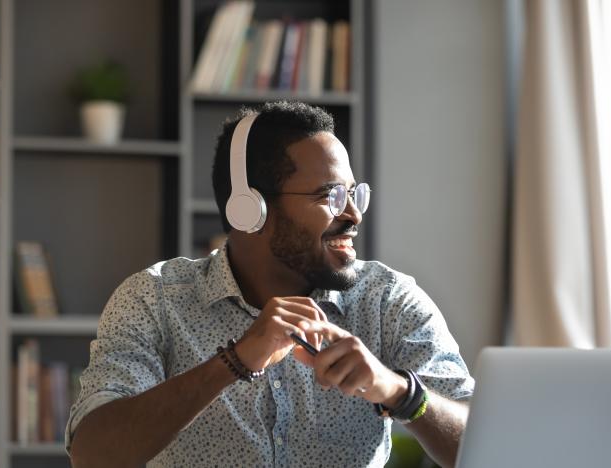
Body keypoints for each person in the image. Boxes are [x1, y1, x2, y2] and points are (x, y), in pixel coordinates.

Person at [66, 101, 473, 467]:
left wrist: (401, 393)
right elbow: (93, 454)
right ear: (250, 210)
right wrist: (234, 362)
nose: (353, 214)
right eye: (330, 196)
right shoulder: (155, 299)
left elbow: (492, 443)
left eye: (353, 194)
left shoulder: (387, 300)